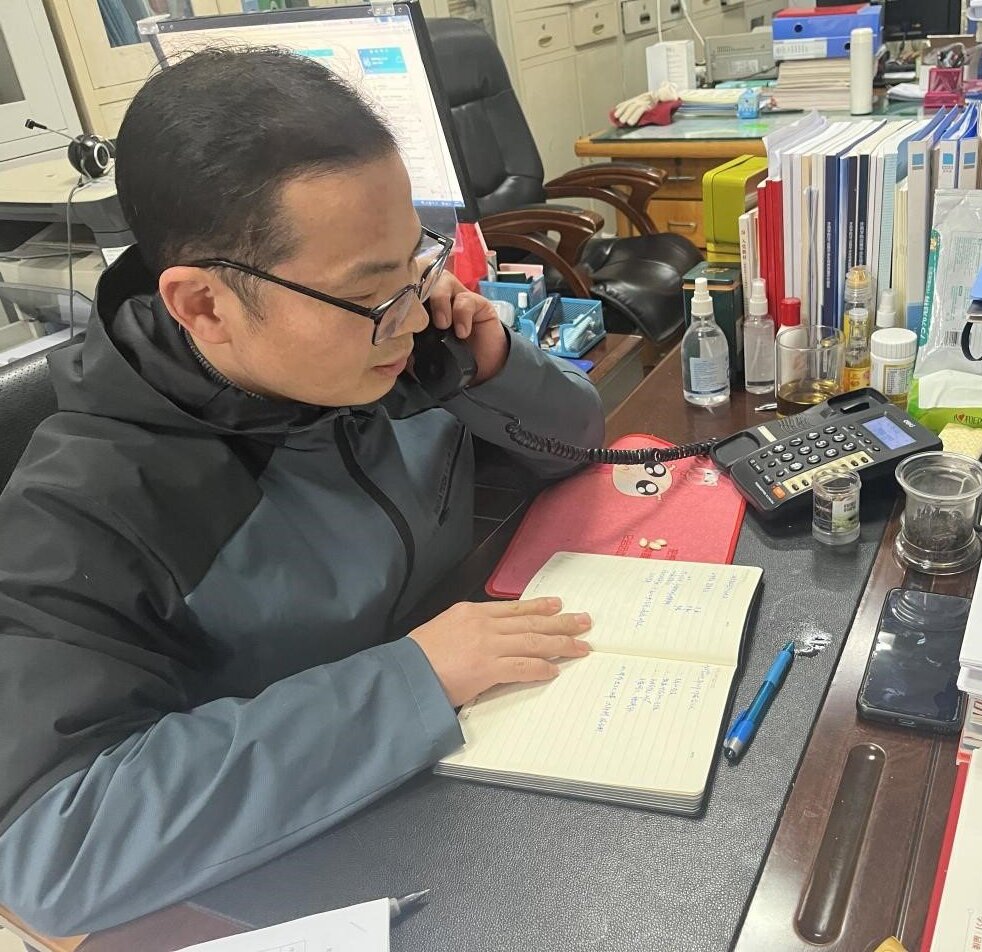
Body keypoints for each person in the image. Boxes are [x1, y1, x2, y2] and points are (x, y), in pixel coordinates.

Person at [0, 47, 604, 935]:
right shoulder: (88, 508)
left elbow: (579, 444)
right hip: (321, 867)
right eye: (370, 291)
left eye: (414, 263)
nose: (412, 314)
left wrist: (493, 365)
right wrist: (412, 681)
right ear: (203, 305)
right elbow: (53, 850)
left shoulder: (391, 348)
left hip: (477, 761)